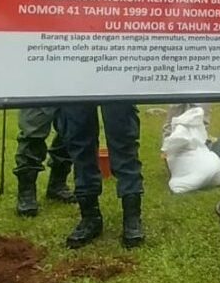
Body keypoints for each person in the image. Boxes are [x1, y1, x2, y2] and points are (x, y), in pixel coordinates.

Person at [62, 102, 145, 249]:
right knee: (79, 140)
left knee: (123, 137)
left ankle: (132, 217)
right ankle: (90, 217)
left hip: (113, 82)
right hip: (76, 82)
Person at [14, 107, 75, 217]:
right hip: (37, 91)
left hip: (70, 90)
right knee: (33, 130)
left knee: (71, 129)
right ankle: (26, 193)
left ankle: (57, 184)